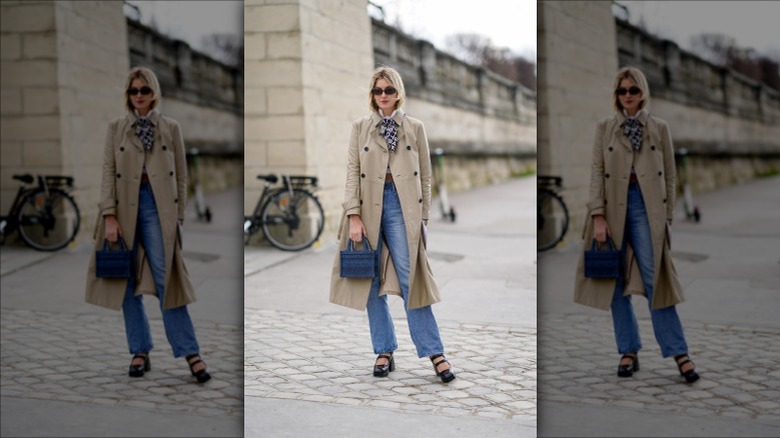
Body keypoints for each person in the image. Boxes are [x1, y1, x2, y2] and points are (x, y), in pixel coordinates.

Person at [329, 66, 455, 383]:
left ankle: (434, 351)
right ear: (371, 96)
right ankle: (384, 349)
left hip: (403, 207)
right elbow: (351, 174)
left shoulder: (414, 127)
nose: (383, 96)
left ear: (398, 92)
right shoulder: (360, 127)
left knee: (411, 277)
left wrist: (422, 219)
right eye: (377, 91)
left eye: (388, 90)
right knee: (370, 280)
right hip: (368, 206)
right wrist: (353, 215)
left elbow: (425, 177)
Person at [574, 66, 699, 383]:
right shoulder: (605, 128)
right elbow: (595, 173)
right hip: (613, 208)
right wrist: (598, 215)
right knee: (613, 282)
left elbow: (670, 177)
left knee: (656, 279)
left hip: (647, 208)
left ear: (642, 92)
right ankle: (628, 350)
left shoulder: (659, 128)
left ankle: (679, 352)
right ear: (616, 96)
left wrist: (666, 219)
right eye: (621, 91)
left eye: (633, 90)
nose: (627, 96)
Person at [85, 66, 210, 383]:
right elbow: (106, 173)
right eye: (132, 91)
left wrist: (178, 219)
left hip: (158, 208)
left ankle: (190, 351)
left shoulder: (170, 127)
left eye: (144, 90)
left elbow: (182, 177)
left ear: (154, 92)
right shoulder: (116, 128)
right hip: (124, 208)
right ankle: (139, 350)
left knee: (167, 278)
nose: (138, 96)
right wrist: (109, 216)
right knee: (125, 281)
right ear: (127, 96)